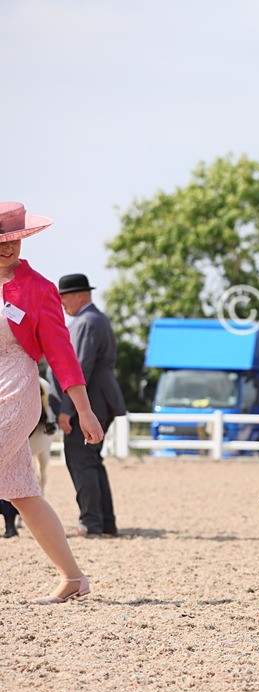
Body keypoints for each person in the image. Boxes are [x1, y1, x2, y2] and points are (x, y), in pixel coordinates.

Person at [0, 201, 104, 602]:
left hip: (16, 386)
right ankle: (73, 578)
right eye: (1, 239)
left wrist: (84, 409)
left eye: (14, 238)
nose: (7, 246)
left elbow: (61, 353)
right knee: (24, 494)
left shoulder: (39, 289)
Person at [52, 272, 127, 536]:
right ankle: (105, 522)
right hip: (104, 397)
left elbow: (78, 366)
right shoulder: (98, 319)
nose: (62, 304)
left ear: (80, 295)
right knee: (93, 460)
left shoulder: (85, 323)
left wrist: (67, 408)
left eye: (64, 297)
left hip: (92, 399)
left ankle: (91, 522)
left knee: (81, 459)